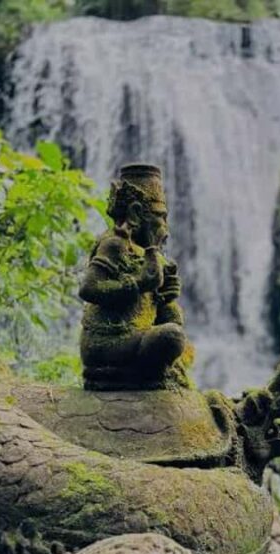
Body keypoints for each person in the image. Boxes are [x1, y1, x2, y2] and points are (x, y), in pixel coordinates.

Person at [79, 163, 193, 390]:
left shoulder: (152, 255)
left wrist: (167, 296)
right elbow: (88, 289)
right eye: (160, 217)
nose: (165, 227)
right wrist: (138, 283)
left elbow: (163, 312)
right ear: (136, 213)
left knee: (174, 328)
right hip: (108, 342)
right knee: (171, 337)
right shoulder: (114, 244)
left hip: (137, 338)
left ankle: (149, 374)